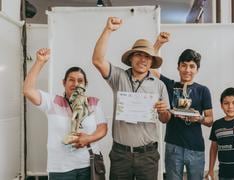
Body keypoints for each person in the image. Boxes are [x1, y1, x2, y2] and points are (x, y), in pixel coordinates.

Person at [92, 17, 171, 180]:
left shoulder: (159, 85)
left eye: (147, 57)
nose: (143, 59)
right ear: (131, 58)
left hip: (148, 155)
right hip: (121, 155)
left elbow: (165, 119)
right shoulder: (118, 77)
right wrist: (108, 30)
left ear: (152, 61)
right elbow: (98, 60)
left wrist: (163, 111)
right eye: (139, 55)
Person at [23, 48, 108, 180]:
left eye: (80, 80)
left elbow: (102, 129)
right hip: (60, 168)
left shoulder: (93, 103)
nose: (76, 84)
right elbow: (28, 90)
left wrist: (88, 139)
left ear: (85, 84)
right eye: (71, 80)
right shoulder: (52, 102)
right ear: (64, 83)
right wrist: (40, 62)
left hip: (88, 164)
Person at [152, 33, 214, 180]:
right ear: (178, 67)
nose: (187, 70)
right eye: (184, 65)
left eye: (192, 66)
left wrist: (198, 118)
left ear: (197, 69)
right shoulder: (170, 85)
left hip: (196, 148)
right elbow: (149, 69)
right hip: (173, 146)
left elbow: (210, 120)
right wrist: (158, 44)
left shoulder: (203, 90)